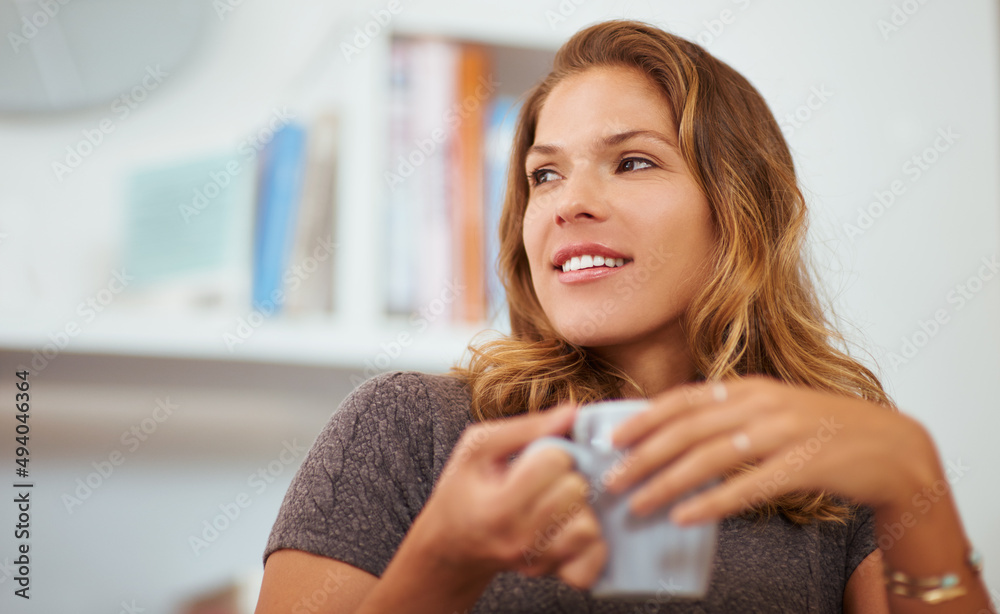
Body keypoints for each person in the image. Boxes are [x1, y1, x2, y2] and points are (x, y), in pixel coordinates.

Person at [254, 20, 995, 613]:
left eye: (633, 162)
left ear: (738, 213)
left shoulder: (824, 457)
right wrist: (443, 565)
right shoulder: (409, 428)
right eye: (544, 175)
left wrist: (915, 482)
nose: (567, 203)